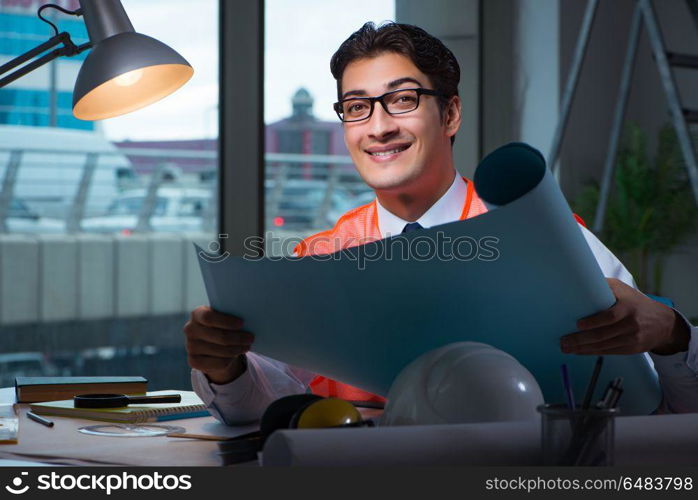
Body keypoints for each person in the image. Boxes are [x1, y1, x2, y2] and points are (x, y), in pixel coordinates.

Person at [184, 22, 698, 425]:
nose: (380, 127)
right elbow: (257, 406)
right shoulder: (321, 257)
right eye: (357, 107)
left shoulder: (551, 242)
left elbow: (674, 405)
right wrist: (224, 366)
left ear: (450, 114)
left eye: (403, 100)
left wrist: (672, 333)